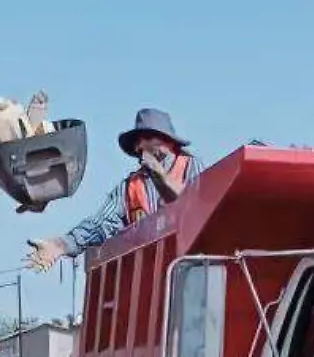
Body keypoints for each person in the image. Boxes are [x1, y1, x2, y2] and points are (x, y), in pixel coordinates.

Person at [25, 108, 204, 271]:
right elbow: (100, 224)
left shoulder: (191, 167)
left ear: (167, 141)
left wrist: (160, 176)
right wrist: (62, 245)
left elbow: (197, 209)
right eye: (136, 141)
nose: (139, 147)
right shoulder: (129, 187)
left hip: (192, 270)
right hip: (150, 276)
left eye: (146, 138)